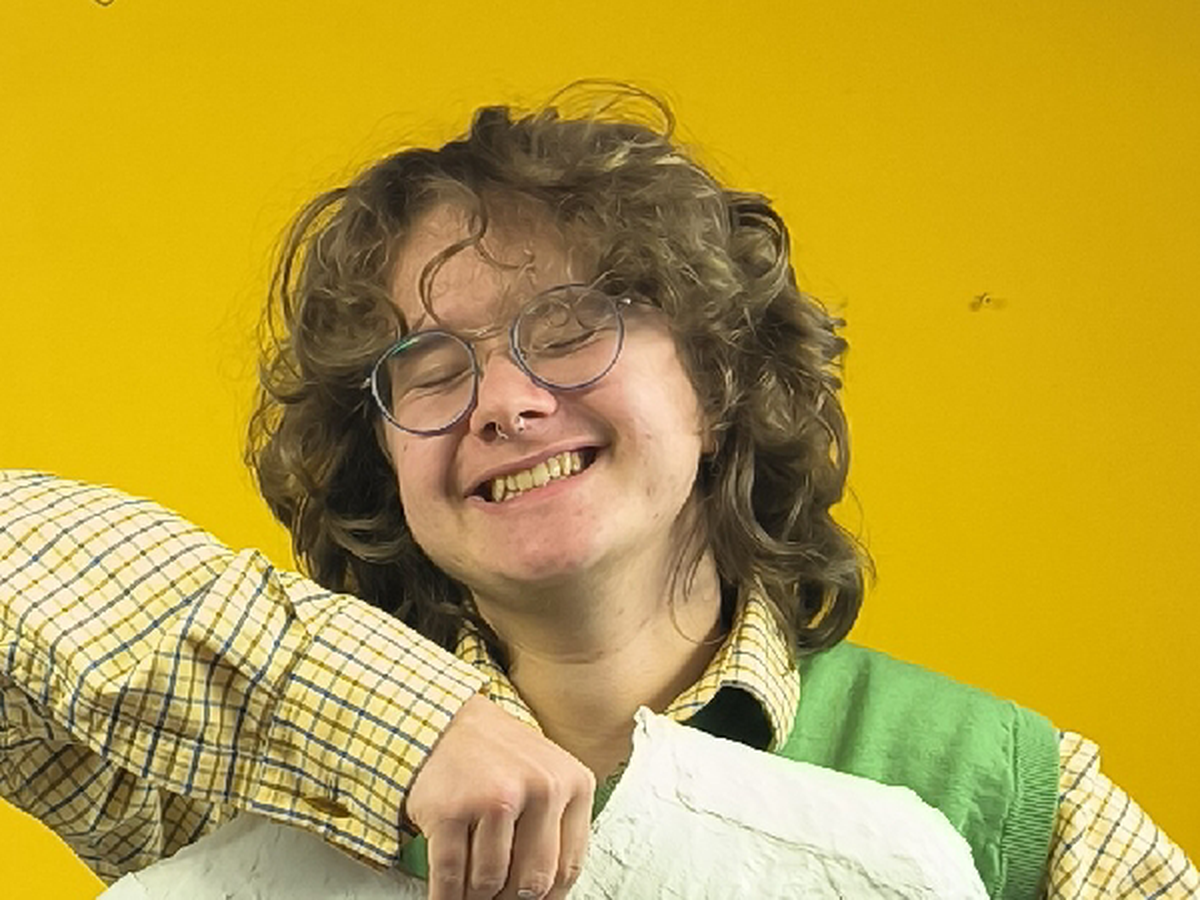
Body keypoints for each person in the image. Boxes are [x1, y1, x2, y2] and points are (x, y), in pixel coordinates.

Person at [0, 85, 1195, 900]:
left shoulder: (989, 789)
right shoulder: (236, 769)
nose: (502, 402)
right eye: (430, 364)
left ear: (720, 379)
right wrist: (405, 728)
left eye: (572, 327)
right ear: (382, 457)